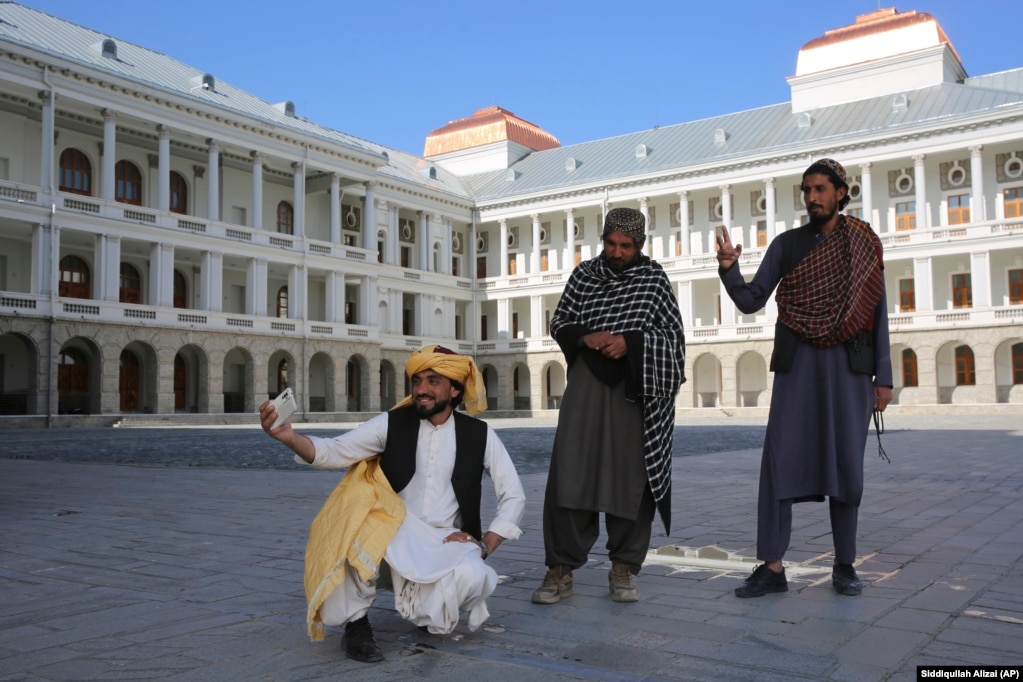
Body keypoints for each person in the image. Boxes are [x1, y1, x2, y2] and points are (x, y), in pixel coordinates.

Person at [259, 345, 525, 663]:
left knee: (473, 575)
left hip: (442, 540)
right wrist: (290, 438)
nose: (421, 389)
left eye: (432, 381)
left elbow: (513, 495)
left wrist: (486, 544)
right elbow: (334, 451)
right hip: (390, 532)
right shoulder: (392, 423)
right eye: (417, 380)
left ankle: (428, 614)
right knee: (352, 528)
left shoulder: (479, 434)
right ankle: (355, 625)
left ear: (454, 389)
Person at [715, 158, 893, 599]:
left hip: (849, 369)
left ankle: (845, 564)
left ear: (840, 193)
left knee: (845, 466)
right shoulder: (787, 244)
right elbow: (753, 300)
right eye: (807, 190)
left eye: (820, 189)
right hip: (797, 368)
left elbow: (877, 315)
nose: (813, 197)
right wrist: (728, 268)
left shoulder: (863, 244)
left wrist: (883, 377)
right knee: (780, 462)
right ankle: (772, 566)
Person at [532, 207, 686, 605]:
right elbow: (561, 321)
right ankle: (560, 569)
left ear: (640, 246)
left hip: (636, 394)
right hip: (586, 386)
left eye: (626, 246)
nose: (617, 253)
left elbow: (673, 339)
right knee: (572, 472)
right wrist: (587, 337)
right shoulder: (584, 275)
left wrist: (631, 343)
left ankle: (623, 569)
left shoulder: (654, 281)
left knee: (630, 478)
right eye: (611, 244)